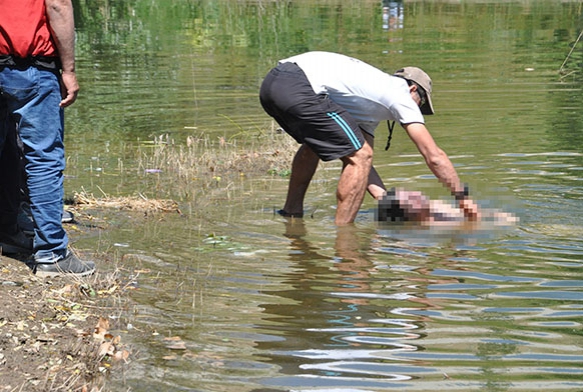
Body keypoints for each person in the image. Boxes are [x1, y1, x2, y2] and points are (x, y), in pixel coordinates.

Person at [259, 51, 480, 225]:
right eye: (420, 104)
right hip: (298, 85)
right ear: (413, 89)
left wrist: (387, 201)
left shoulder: (367, 102)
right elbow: (434, 157)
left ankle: (291, 213)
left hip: (273, 83)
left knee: (317, 146)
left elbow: (364, 166)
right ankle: (344, 237)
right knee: (360, 155)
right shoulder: (400, 94)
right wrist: (463, 198)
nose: (418, 112)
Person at [0, 0, 95, 276]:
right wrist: (69, 70)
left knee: (7, 150)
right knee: (43, 158)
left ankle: (7, 229)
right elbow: (58, 5)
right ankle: (52, 253)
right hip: (30, 67)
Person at [377, 187, 517, 224]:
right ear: (407, 215)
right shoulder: (433, 226)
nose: (417, 194)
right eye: (410, 200)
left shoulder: (436, 205)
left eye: (410, 192)